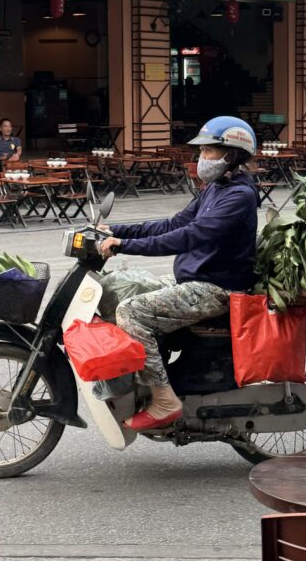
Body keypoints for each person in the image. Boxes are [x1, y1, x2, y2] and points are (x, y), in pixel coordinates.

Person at [99, 116, 260, 431]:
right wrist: (114, 230)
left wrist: (124, 246)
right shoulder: (215, 187)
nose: (202, 158)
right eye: (201, 151)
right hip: (195, 281)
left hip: (217, 289)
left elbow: (190, 236)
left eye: (209, 151)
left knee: (131, 311)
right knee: (120, 288)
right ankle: (139, 381)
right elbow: (173, 224)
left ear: (232, 154)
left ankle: (164, 399)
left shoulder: (239, 195)